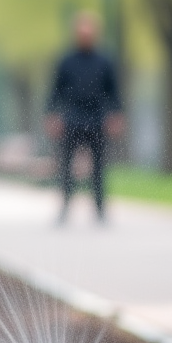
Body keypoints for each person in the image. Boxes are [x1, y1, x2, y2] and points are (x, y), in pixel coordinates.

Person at [45, 11, 124, 223]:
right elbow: (55, 91)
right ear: (76, 34)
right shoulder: (66, 61)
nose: (85, 35)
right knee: (66, 166)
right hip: (72, 117)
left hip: (97, 118)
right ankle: (65, 207)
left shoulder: (105, 61)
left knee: (98, 167)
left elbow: (113, 92)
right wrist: (52, 115)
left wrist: (116, 115)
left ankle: (99, 209)